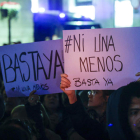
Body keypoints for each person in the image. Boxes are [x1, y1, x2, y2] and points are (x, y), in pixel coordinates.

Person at [60, 73, 110, 140]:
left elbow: (88, 127)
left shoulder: (112, 121)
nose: (89, 95)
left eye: (95, 92)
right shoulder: (90, 116)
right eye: (90, 92)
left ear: (107, 98)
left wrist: (72, 97)